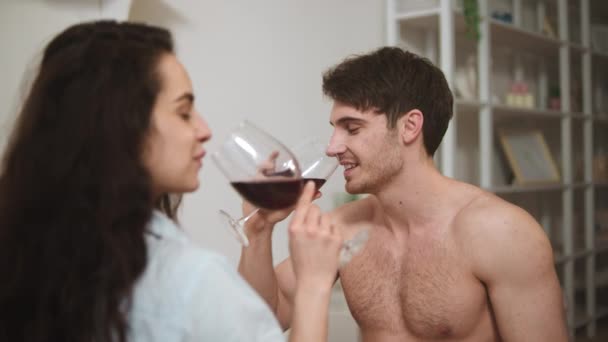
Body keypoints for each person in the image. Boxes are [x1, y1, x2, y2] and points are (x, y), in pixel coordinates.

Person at [0, 20, 342, 342]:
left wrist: (258, 233)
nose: (204, 130)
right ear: (123, 126)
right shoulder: (189, 278)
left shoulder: (36, 253)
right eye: (183, 112)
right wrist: (314, 285)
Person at [238, 47, 569, 341]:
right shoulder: (344, 227)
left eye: (352, 128)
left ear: (410, 127)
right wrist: (258, 232)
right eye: (335, 129)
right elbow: (260, 320)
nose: (333, 148)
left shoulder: (501, 233)